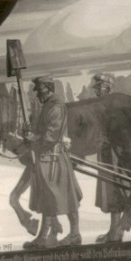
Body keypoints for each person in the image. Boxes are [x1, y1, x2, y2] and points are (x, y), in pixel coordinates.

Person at [19, 76, 82, 248]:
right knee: (47, 199)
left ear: (48, 89)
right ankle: (42, 237)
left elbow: (51, 136)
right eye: (38, 91)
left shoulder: (56, 107)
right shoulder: (46, 106)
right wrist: (29, 133)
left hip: (55, 159)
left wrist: (33, 140)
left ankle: (75, 234)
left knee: (67, 197)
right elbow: (42, 132)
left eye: (40, 91)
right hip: (45, 159)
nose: (38, 95)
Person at [89, 73, 130, 243]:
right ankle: (113, 229)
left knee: (116, 189)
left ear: (109, 87)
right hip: (105, 152)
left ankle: (117, 231)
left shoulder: (115, 106)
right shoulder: (102, 106)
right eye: (96, 87)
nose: (97, 90)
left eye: (100, 87)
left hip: (115, 153)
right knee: (109, 191)